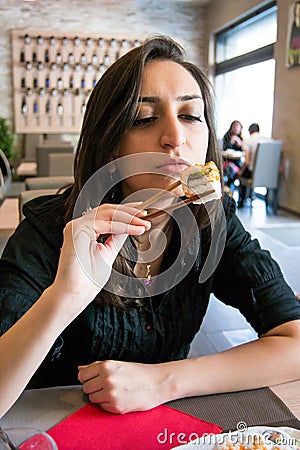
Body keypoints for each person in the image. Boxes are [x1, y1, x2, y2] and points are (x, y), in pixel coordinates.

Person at [1, 35, 300, 419]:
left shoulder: (213, 220)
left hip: (163, 428)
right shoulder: (49, 232)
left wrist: (166, 381)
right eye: (143, 119)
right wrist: (66, 296)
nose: (176, 137)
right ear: (110, 144)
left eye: (191, 115)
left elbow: (293, 341)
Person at [237, 123, 268, 208]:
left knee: (239, 175)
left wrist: (240, 171)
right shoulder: (268, 140)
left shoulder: (248, 141)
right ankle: (265, 201)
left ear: (250, 131)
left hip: (253, 173)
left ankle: (242, 201)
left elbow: (246, 162)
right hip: (268, 175)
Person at [221, 120, 244, 187]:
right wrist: (231, 142)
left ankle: (228, 186)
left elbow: (243, 153)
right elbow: (224, 149)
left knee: (230, 169)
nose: (236, 128)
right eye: (234, 126)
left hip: (237, 164)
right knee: (227, 168)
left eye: (238, 127)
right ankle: (226, 186)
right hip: (226, 161)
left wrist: (240, 144)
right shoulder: (226, 137)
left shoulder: (241, 139)